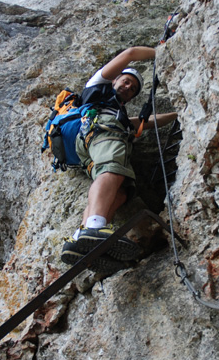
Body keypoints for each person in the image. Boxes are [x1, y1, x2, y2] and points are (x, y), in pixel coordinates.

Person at [61, 46, 177, 267]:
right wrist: (162, 51)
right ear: (114, 80)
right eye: (125, 81)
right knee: (112, 170)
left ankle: (82, 239)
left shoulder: (119, 114)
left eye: (132, 88)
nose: (127, 87)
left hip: (92, 145)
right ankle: (95, 227)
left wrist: (178, 113)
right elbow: (130, 53)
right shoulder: (97, 87)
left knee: (122, 193)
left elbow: (148, 122)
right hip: (101, 135)